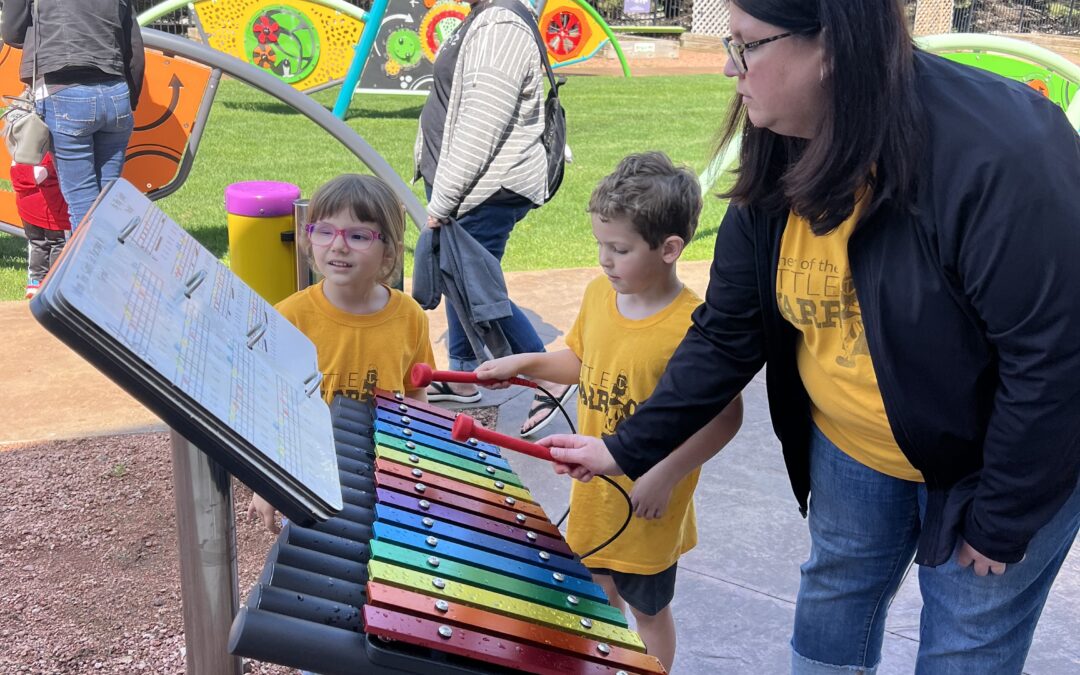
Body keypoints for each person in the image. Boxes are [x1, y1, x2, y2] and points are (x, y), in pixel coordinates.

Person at [540, 1, 1080, 673]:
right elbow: (726, 334)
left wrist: (1004, 515)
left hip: (1000, 455)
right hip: (855, 445)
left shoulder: (1002, 153)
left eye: (746, 47)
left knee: (966, 643)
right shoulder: (782, 141)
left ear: (833, 44)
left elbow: (1053, 362)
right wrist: (626, 447)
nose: (730, 71)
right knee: (834, 597)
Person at [475, 152, 743, 672]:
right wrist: (527, 362)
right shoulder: (601, 295)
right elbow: (579, 361)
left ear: (669, 249)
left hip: (650, 503)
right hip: (594, 491)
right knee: (597, 599)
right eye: (600, 245)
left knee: (648, 609)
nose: (604, 260)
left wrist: (664, 475)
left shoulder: (693, 326)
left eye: (619, 249)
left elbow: (723, 416)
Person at [414, 0, 573, 436]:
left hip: (481, 188)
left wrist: (442, 200)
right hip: (471, 185)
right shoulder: (486, 16)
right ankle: (465, 375)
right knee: (460, 279)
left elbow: (480, 127)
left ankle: (551, 379)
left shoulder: (500, 24)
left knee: (475, 287)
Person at [248, 174, 436, 533]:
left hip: (386, 476)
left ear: (390, 251)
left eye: (358, 235)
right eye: (324, 231)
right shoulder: (288, 318)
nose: (338, 246)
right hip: (311, 478)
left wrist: (420, 460)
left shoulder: (410, 316)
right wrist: (267, 482)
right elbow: (267, 409)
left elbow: (415, 394)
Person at [1, 0, 144, 231]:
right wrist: (130, 100)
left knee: (82, 205)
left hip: (64, 91)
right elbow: (134, 46)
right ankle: (110, 263)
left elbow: (12, 33)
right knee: (109, 200)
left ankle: (89, 266)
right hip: (116, 93)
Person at [11, 151, 70, 299]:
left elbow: (17, 171)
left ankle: (35, 282)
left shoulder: (22, 148)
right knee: (58, 244)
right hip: (52, 211)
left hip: (27, 208)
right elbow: (38, 175)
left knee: (37, 243)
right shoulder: (50, 151)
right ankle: (54, 283)